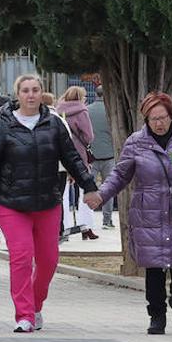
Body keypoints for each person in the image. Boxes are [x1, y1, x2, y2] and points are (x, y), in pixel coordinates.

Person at [0, 74, 100, 333]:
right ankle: (24, 315)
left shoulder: (54, 124)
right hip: (10, 202)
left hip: (47, 202)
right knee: (21, 256)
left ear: (42, 93)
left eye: (35, 90)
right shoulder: (2, 125)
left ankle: (36, 305)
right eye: (25, 90)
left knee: (49, 260)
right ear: (17, 94)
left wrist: (90, 187)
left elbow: (72, 158)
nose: (30, 95)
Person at [88, 92, 172, 335]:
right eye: (153, 119)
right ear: (146, 120)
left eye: (163, 117)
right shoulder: (136, 142)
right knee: (154, 267)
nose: (159, 123)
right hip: (149, 212)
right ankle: (157, 315)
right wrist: (101, 194)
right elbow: (121, 174)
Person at [57, 86, 98, 240]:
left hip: (61, 154)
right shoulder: (82, 112)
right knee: (85, 188)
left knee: (64, 190)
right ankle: (86, 225)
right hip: (79, 153)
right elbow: (89, 136)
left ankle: (64, 225)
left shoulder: (58, 111)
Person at [87, 90, 117, 229]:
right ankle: (107, 220)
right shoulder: (113, 112)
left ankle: (86, 223)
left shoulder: (87, 111)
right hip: (109, 155)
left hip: (91, 156)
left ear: (95, 95)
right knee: (108, 189)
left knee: (88, 189)